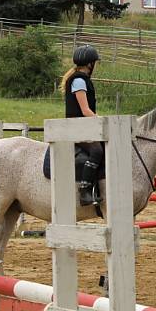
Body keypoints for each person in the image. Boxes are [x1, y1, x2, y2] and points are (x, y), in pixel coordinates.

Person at [60, 44, 104, 206]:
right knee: (96, 151)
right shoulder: (79, 81)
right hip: (76, 128)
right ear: (90, 64)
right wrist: (102, 121)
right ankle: (84, 191)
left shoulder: (82, 79)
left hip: (82, 126)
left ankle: (96, 186)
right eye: (95, 63)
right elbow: (85, 111)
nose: (96, 66)